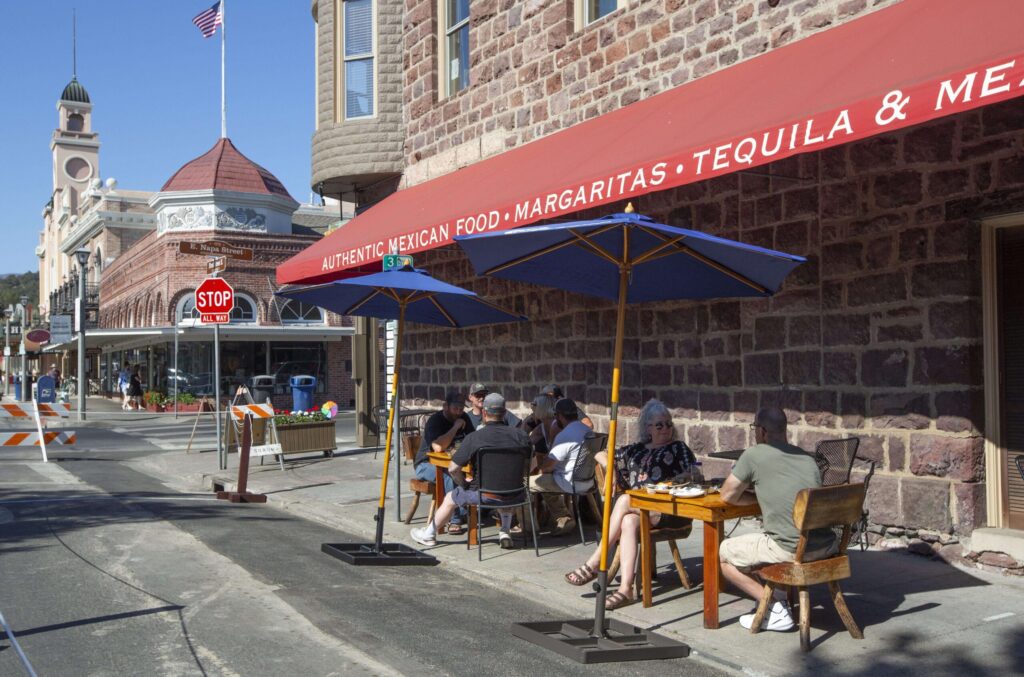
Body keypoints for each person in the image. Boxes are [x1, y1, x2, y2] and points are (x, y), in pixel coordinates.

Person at [563, 398, 696, 609]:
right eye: (659, 425)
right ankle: (626, 589)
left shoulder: (678, 449)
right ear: (648, 428)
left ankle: (597, 560)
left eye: (669, 424)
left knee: (626, 499)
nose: (665, 429)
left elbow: (695, 473)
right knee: (629, 522)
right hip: (641, 512)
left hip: (671, 511)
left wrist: (685, 476)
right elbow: (595, 451)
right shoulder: (635, 451)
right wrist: (611, 468)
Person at [718, 407, 837, 632]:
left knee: (724, 553)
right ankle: (776, 601)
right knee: (767, 540)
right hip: (826, 545)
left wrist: (752, 496)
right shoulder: (806, 457)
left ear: (762, 431)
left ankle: (774, 607)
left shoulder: (754, 454)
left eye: (754, 429)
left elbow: (727, 495)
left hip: (792, 548)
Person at [411, 393, 531, 549]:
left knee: (450, 497)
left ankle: (428, 534)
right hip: (518, 494)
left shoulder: (475, 438)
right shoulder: (521, 436)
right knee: (503, 488)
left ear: (484, 413)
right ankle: (505, 530)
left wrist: (463, 485)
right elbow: (530, 461)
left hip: (484, 494)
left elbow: (453, 469)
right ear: (504, 412)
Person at [412, 391, 475, 534]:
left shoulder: (464, 417)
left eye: (461, 408)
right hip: (425, 464)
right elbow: (438, 447)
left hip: (451, 462)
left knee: (472, 474)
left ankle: (473, 511)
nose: (459, 412)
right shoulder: (435, 421)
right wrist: (455, 427)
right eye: (455, 408)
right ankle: (455, 519)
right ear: (446, 406)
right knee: (449, 475)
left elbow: (472, 439)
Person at [530, 398, 593, 535]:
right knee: (545, 481)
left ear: (559, 416)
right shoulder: (587, 431)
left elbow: (547, 467)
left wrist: (537, 469)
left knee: (527, 484)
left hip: (568, 483)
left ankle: (528, 528)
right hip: (588, 482)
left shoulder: (565, 435)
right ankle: (563, 517)